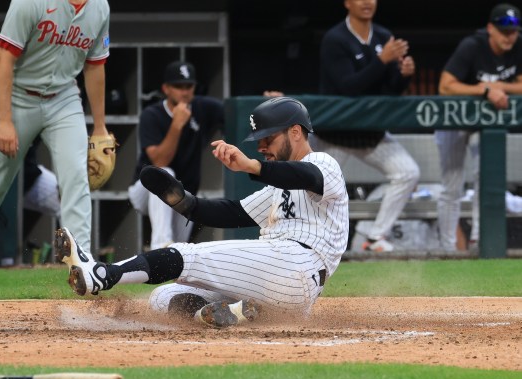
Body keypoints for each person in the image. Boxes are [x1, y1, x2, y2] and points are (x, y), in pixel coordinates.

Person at [55, 97, 349, 328]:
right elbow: (232, 213)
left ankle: (102, 274)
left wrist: (250, 166)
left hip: (298, 265)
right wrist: (185, 203)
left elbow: (305, 176)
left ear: (295, 132)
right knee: (163, 298)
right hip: (277, 288)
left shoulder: (324, 164)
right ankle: (225, 315)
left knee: (187, 255)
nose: (260, 147)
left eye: (267, 138)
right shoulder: (278, 185)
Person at [0, 0, 111, 285]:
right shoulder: (31, 2)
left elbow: (95, 66)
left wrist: (99, 126)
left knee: (76, 178)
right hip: (18, 96)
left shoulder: (100, 7)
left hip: (64, 98)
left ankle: (81, 265)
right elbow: (4, 58)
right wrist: (5, 120)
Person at [314, 0, 420, 252]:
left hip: (370, 132)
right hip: (334, 134)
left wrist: (404, 74)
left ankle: (375, 238)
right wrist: (382, 60)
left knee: (408, 172)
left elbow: (391, 89)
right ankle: (311, 242)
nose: (366, 2)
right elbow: (348, 87)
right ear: (347, 3)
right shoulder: (335, 39)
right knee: (314, 190)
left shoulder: (383, 36)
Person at [434, 3, 522, 251]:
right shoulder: (473, 46)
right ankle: (448, 249)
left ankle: (479, 241)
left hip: (483, 124)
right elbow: (446, 86)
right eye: (504, 31)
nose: (509, 36)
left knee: (485, 180)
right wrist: (484, 90)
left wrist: (499, 88)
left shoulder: (518, 45)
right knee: (452, 187)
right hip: (453, 121)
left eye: (513, 31)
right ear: (490, 29)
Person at [128, 61, 224, 250]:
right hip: (145, 190)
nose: (184, 91)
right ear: (166, 88)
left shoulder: (202, 107)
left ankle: (166, 259)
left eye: (188, 86)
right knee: (163, 173)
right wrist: (177, 125)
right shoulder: (152, 114)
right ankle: (159, 245)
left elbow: (235, 112)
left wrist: (267, 101)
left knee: (178, 251)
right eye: (178, 86)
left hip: (183, 194)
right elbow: (159, 161)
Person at [0, 71, 61, 235]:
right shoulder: (2, 78)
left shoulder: (44, 88)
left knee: (69, 202)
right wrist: (5, 103)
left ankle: (75, 256)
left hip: (28, 177)